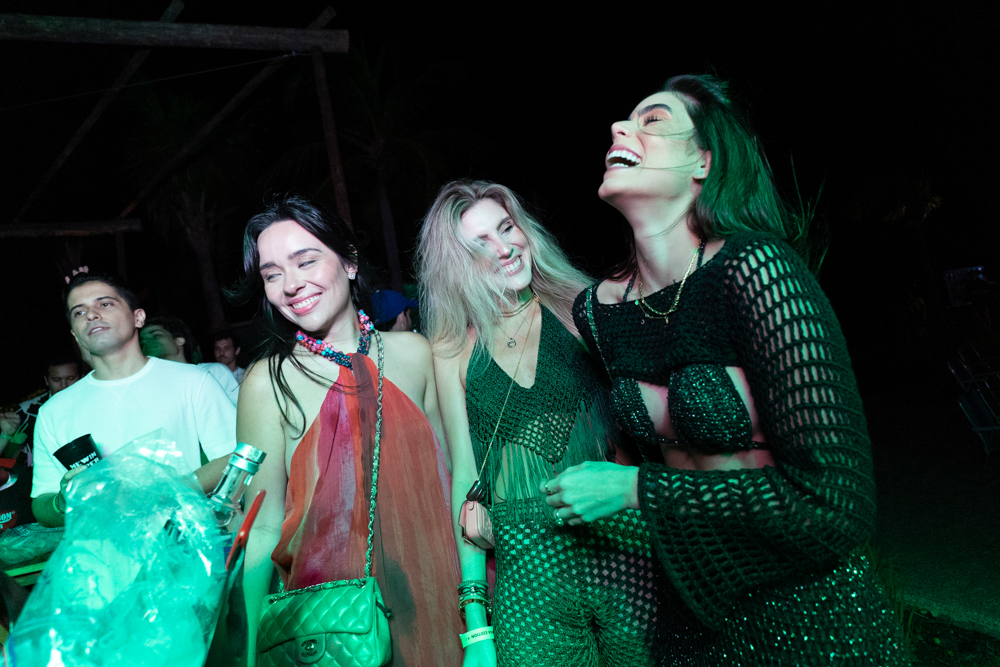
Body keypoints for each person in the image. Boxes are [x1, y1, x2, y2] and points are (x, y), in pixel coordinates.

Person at [548, 74, 907, 665]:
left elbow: (835, 503)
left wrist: (634, 490)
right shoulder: (598, 310)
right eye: (625, 120)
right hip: (690, 613)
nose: (620, 127)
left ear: (704, 162)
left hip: (806, 607)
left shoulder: (757, 270)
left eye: (652, 120)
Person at [416, 180, 659, 667]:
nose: (505, 248)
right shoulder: (453, 349)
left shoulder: (580, 308)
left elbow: (647, 423)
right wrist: (476, 625)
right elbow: (465, 475)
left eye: (507, 228)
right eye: (480, 244)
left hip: (621, 545)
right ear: (457, 265)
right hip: (528, 572)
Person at [235, 196, 462, 665]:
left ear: (350, 262)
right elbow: (262, 527)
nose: (291, 285)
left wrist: (477, 606)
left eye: (306, 261)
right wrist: (248, 647)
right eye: (272, 275)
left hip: (437, 594)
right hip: (329, 626)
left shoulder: (415, 353)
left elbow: (453, 480)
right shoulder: (267, 383)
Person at [30, 273, 236, 528]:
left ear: (138, 317)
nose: (91, 315)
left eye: (105, 304)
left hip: (183, 542)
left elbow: (233, 457)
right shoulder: (54, 411)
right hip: (101, 548)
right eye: (79, 312)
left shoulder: (192, 381)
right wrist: (63, 502)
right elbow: (41, 503)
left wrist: (164, 494)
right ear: (75, 335)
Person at [0, 352, 80, 532]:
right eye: (57, 380)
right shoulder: (25, 412)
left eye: (70, 378)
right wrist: (8, 437)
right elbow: (8, 462)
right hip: (35, 496)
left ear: (81, 376)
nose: (64, 386)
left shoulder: (91, 404)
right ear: (46, 380)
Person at [140, 315, 240, 405]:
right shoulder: (151, 386)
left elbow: (238, 409)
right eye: (142, 340)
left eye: (156, 335)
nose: (147, 341)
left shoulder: (213, 372)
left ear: (179, 340)